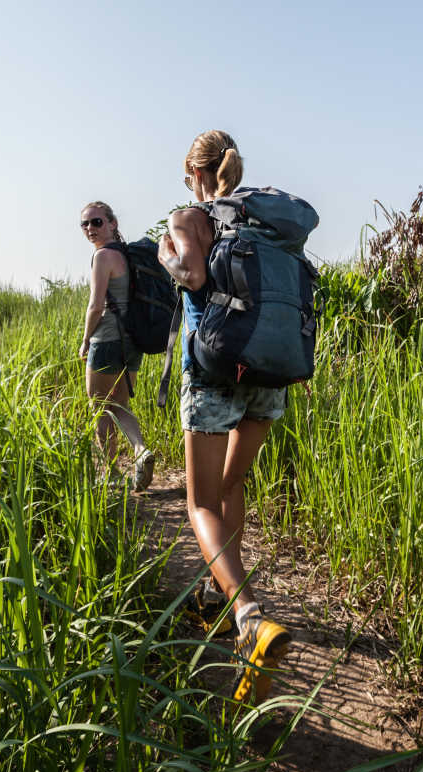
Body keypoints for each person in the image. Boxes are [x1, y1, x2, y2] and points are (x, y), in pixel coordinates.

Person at [157, 131, 292, 705]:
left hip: (214, 370)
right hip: (271, 371)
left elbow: (189, 275)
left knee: (201, 501)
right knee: (235, 484)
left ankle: (248, 614)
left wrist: (169, 257)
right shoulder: (265, 220)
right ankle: (219, 595)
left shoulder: (190, 215)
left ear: (194, 172)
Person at [79, 201, 154, 491]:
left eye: (96, 222)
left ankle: (109, 473)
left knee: (99, 406)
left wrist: (86, 338)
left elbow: (96, 305)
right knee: (119, 404)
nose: (90, 229)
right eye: (85, 224)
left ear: (112, 224)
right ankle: (140, 450)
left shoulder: (103, 256)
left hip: (107, 339)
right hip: (132, 342)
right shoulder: (128, 255)